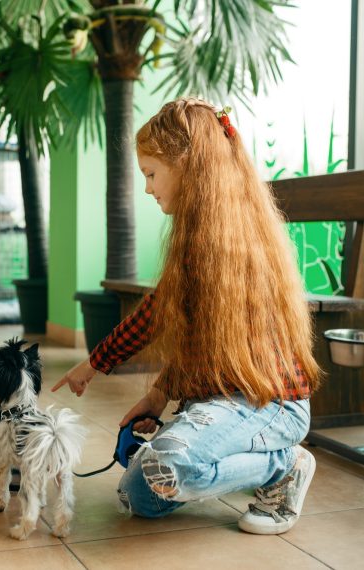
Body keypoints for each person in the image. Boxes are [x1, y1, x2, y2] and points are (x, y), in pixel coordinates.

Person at [52, 98, 322, 535]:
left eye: (152, 174)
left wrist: (93, 364)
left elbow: (153, 316)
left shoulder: (227, 242)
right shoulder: (196, 235)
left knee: (166, 462)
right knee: (141, 495)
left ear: (189, 166)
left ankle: (282, 466)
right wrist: (158, 397)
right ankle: (234, 460)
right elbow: (198, 338)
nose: (148, 188)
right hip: (224, 402)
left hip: (270, 405)